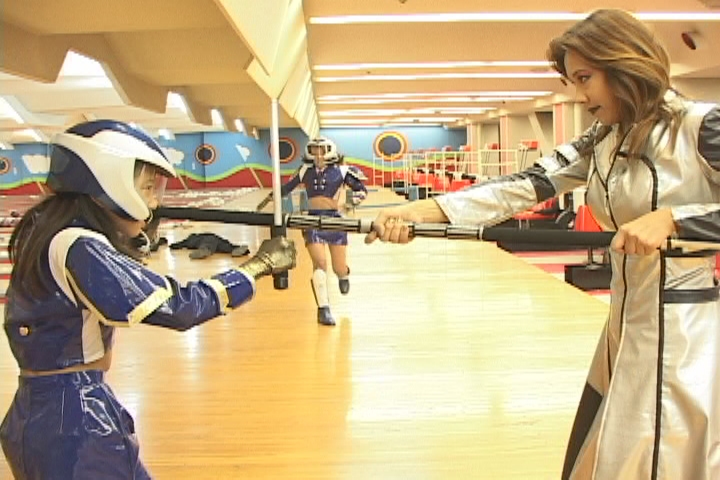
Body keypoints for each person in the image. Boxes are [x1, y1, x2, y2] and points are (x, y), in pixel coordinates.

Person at [365, 9, 720, 480]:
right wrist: (423, 212)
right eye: (572, 81)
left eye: (585, 78)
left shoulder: (700, 125)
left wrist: (676, 219)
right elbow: (527, 184)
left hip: (685, 330)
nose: (579, 95)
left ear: (624, 64)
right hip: (625, 324)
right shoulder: (603, 138)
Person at [0, 120, 297, 479]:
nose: (154, 201)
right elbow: (179, 307)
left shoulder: (47, 230)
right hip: (74, 418)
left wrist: (129, 236)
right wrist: (257, 267)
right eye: (146, 187)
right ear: (108, 180)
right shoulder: (79, 245)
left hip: (45, 410)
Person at [280, 137, 368, 326]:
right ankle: (323, 309)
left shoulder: (343, 171)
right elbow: (286, 188)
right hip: (312, 221)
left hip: (335, 221)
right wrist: (275, 195)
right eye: (314, 149)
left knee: (338, 267)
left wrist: (350, 203)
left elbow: (362, 190)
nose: (318, 154)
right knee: (319, 264)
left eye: (322, 150)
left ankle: (343, 275)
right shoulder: (304, 171)